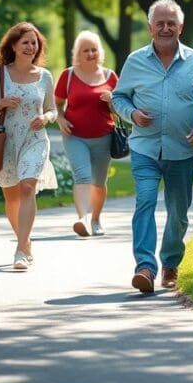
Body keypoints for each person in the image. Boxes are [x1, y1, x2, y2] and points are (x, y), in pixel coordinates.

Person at [112, 0, 193, 293]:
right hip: (144, 148)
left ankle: (170, 263)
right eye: (159, 23)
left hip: (182, 150)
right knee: (145, 201)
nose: (165, 28)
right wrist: (132, 113)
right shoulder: (135, 61)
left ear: (180, 27)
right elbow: (118, 97)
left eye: (170, 23)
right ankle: (145, 268)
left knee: (178, 211)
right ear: (150, 27)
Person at [0, 22, 58, 271]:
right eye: (25, 42)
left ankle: (20, 250)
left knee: (27, 188)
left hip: (35, 140)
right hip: (6, 143)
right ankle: (26, 242)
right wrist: (0, 103)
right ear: (13, 45)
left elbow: (53, 109)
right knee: (12, 198)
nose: (31, 47)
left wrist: (46, 118)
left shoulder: (45, 76)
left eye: (34, 43)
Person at [55, 31, 119, 237]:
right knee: (82, 176)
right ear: (78, 54)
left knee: (99, 183)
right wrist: (60, 118)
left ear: (99, 52)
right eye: (85, 50)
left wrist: (112, 100)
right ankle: (82, 219)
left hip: (104, 136)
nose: (90, 53)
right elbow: (56, 104)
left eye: (94, 49)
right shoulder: (68, 75)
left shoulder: (110, 76)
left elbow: (120, 111)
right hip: (75, 135)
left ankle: (96, 219)